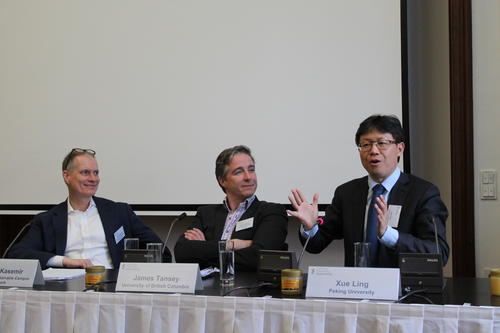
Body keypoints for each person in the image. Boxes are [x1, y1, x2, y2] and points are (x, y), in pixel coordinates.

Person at [288, 115, 449, 268]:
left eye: (382, 143)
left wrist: (389, 235)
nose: (373, 150)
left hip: (405, 292)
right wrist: (309, 227)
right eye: (366, 144)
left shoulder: (423, 193)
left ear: (400, 148)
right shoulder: (347, 193)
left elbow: (438, 253)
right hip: (356, 290)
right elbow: (317, 244)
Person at [8, 148, 171, 269]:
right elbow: (17, 254)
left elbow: (161, 251)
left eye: (96, 173)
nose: (93, 179)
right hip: (66, 289)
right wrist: (64, 261)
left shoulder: (119, 212)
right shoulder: (47, 219)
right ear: (67, 176)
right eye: (85, 173)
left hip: (111, 287)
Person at [174, 145, 288, 271]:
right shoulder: (206, 213)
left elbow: (258, 258)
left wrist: (204, 247)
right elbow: (181, 252)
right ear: (222, 181)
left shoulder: (271, 212)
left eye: (251, 170)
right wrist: (230, 245)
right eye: (239, 172)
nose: (248, 177)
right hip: (208, 288)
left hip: (247, 289)